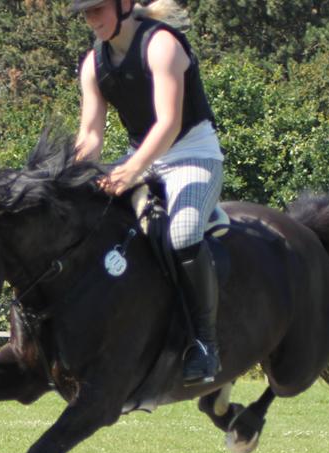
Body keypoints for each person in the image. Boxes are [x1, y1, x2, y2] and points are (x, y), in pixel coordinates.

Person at [71, 0, 224, 385]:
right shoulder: (93, 63)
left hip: (192, 154)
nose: (91, 19)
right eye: (85, 13)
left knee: (182, 234)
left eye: (98, 9)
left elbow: (169, 123)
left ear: (123, 5)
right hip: (141, 158)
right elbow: (90, 135)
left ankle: (205, 344)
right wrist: (69, 180)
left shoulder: (161, 45)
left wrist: (129, 171)